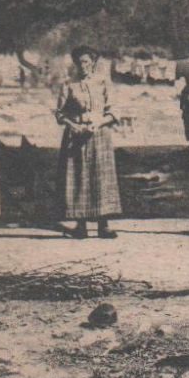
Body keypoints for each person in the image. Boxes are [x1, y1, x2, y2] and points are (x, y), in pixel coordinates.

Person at [56, 45, 121, 240]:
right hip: (76, 135)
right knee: (78, 177)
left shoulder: (103, 82)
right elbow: (60, 114)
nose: (82, 65)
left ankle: (103, 225)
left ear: (93, 62)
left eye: (86, 61)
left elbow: (114, 111)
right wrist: (72, 125)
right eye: (79, 62)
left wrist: (99, 122)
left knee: (100, 177)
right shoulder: (69, 84)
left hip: (100, 134)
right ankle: (80, 226)